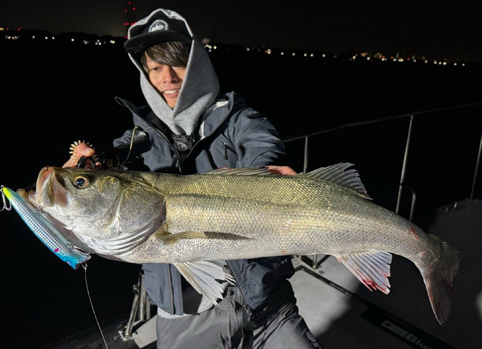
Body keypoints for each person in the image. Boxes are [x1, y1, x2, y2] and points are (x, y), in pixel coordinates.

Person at [65, 8, 321, 349]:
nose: (166, 78)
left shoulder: (237, 117)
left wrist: (264, 170)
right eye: (154, 68)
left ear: (198, 65)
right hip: (185, 310)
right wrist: (88, 170)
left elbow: (262, 143)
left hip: (264, 296)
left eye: (178, 64)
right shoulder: (138, 137)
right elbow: (114, 173)